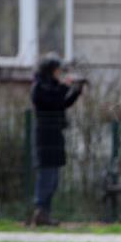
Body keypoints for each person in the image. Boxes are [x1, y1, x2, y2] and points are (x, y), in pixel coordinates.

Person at [29, 53, 86, 226]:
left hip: (55, 135)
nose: (59, 73)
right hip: (45, 137)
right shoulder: (40, 87)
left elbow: (63, 103)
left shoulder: (53, 86)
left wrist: (76, 91)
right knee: (46, 177)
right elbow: (52, 101)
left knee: (53, 179)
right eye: (57, 70)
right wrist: (65, 87)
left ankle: (45, 214)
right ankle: (40, 212)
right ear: (50, 70)